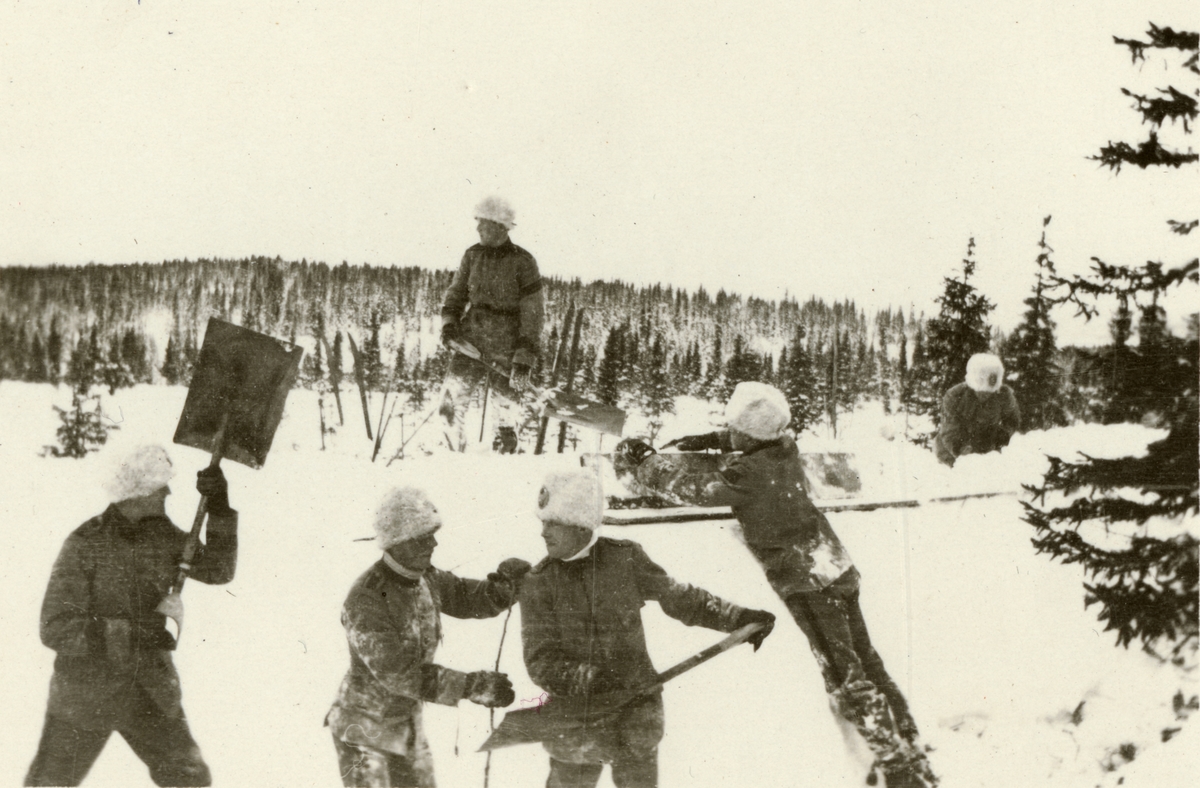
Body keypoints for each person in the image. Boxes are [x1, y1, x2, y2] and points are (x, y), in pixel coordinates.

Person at [614, 382, 937, 788]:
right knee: (868, 660)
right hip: (834, 567)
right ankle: (910, 741)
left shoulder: (747, 473)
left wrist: (646, 463)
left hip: (807, 583)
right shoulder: (784, 448)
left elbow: (695, 489)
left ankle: (900, 770)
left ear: (747, 436)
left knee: (844, 675)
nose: (727, 433)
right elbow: (752, 445)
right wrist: (715, 440)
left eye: (732, 428)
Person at [519, 470, 776, 788]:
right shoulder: (538, 582)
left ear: (580, 523)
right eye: (542, 522)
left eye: (552, 523)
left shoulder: (624, 558)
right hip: (576, 721)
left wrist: (737, 617)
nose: (543, 532)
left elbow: (680, 598)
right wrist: (592, 679)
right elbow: (540, 661)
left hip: (636, 713)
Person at [25, 444, 237, 787]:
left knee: (189, 780)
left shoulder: (163, 535)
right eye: (159, 486)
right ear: (135, 493)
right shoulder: (84, 543)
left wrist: (220, 507)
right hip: (85, 696)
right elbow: (55, 627)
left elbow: (218, 570)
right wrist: (133, 634)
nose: (168, 491)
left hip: (148, 690)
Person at [326, 486, 532, 788]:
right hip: (364, 730)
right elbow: (399, 674)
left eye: (432, 534)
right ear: (397, 540)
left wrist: (501, 591)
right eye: (422, 537)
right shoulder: (366, 599)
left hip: (406, 722)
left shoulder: (425, 577)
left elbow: (464, 596)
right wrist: (471, 685)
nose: (433, 543)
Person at [438, 196, 545, 454]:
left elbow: (533, 314)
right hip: (470, 341)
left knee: (506, 421)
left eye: (483, 224)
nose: (477, 229)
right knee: (449, 407)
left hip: (507, 347)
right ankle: (452, 460)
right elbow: (456, 293)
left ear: (500, 226)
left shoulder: (523, 262)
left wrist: (523, 359)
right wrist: (450, 324)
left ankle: (503, 465)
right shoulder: (472, 255)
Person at [933, 353, 1021, 467]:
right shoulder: (955, 396)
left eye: (990, 392)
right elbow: (949, 429)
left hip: (988, 449)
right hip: (951, 452)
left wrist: (1003, 435)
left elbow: (1012, 420)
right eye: (981, 391)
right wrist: (960, 449)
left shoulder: (1003, 395)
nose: (986, 395)